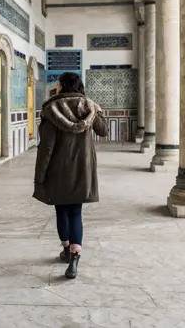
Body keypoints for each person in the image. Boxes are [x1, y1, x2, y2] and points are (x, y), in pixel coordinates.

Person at [33, 72, 108, 279]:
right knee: (76, 212)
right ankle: (75, 258)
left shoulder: (51, 109)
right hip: (83, 170)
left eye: (58, 83)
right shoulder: (89, 107)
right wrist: (97, 111)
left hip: (58, 170)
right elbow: (103, 131)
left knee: (61, 211)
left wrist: (39, 177)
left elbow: (46, 148)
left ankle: (66, 250)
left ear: (61, 86)